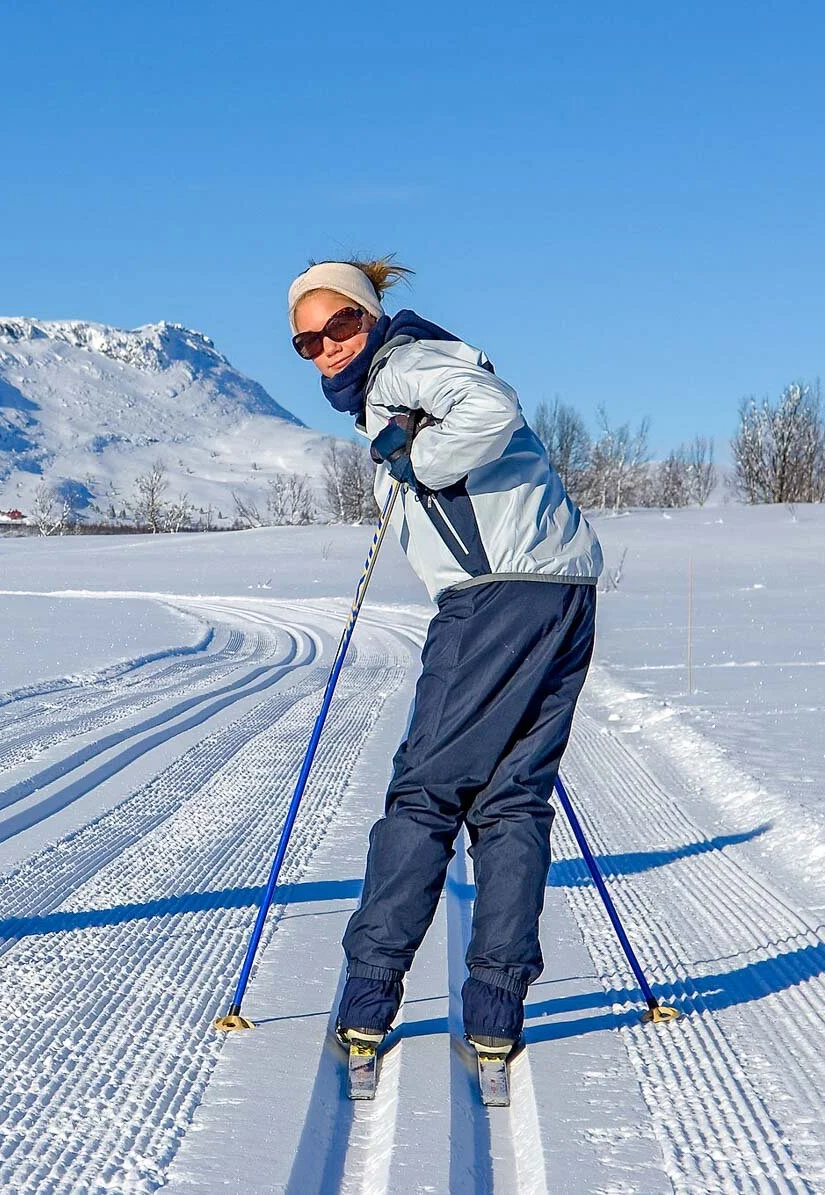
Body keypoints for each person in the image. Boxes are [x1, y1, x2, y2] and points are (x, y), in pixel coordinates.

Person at [286, 259, 602, 1057]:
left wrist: (420, 462)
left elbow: (489, 407)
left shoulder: (401, 366)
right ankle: (494, 1010)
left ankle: (367, 997)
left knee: (426, 792)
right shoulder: (414, 367)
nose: (326, 347)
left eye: (340, 326)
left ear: (369, 318)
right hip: (563, 589)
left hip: (494, 596)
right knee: (511, 799)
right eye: (306, 340)